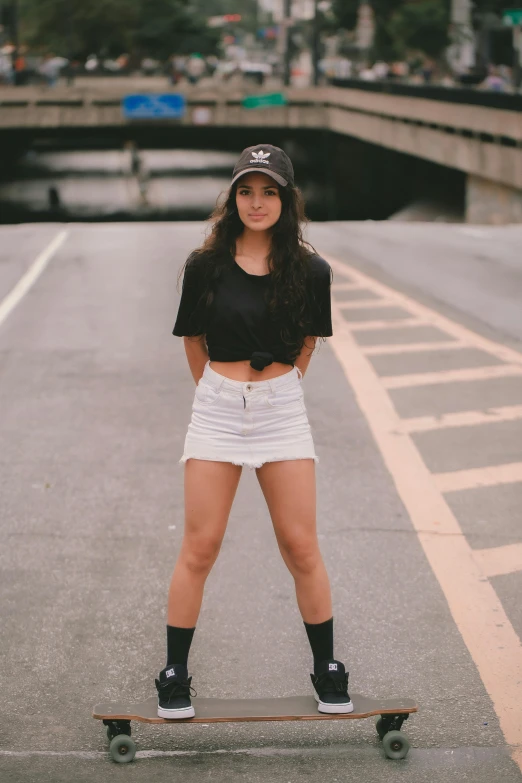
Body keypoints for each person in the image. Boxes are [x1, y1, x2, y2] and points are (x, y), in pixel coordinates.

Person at [155, 144, 353, 720]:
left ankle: (327, 669)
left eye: (269, 192)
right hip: (217, 407)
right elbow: (193, 338)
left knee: (300, 545)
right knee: (200, 546)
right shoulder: (205, 267)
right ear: (232, 198)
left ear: (286, 200)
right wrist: (216, 392)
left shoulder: (311, 270)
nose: (256, 202)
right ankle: (174, 674)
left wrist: (278, 392)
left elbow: (310, 338)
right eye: (246, 190)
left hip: (281, 409)